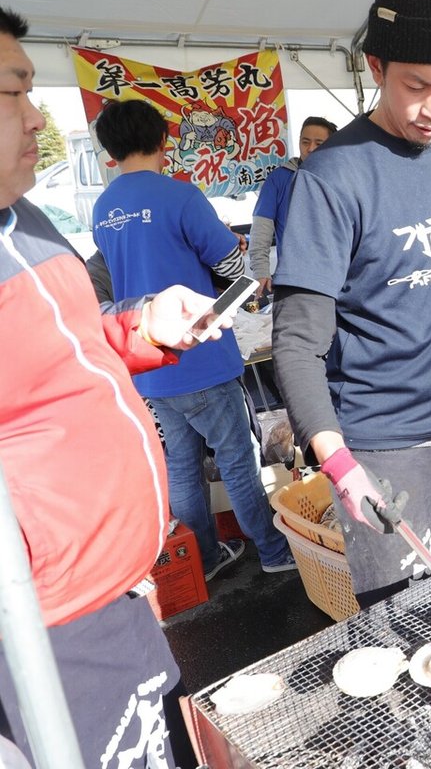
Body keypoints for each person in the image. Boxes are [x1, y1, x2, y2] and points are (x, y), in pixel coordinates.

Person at [0, 5, 229, 767]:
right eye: (13, 92)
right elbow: (231, 264)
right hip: (46, 623)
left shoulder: (31, 219)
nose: (38, 119)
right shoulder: (180, 195)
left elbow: (69, 348)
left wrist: (145, 326)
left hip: (111, 589)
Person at [272, 0, 431, 609]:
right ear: (376, 65)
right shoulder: (333, 176)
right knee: (408, 627)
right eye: (417, 86)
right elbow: (296, 343)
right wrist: (336, 459)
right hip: (379, 444)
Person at [91, 99, 295, 582]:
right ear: (165, 142)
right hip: (200, 355)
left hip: (148, 362)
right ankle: (271, 550)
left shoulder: (104, 207)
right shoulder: (180, 196)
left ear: (110, 151)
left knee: (182, 468)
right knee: (237, 462)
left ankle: (204, 558)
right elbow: (229, 266)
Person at [248, 115, 338, 292]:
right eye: (305, 142)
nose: (310, 148)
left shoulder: (342, 179)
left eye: (319, 143)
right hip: (295, 281)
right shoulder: (279, 179)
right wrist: (261, 270)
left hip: (338, 278)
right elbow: (261, 229)